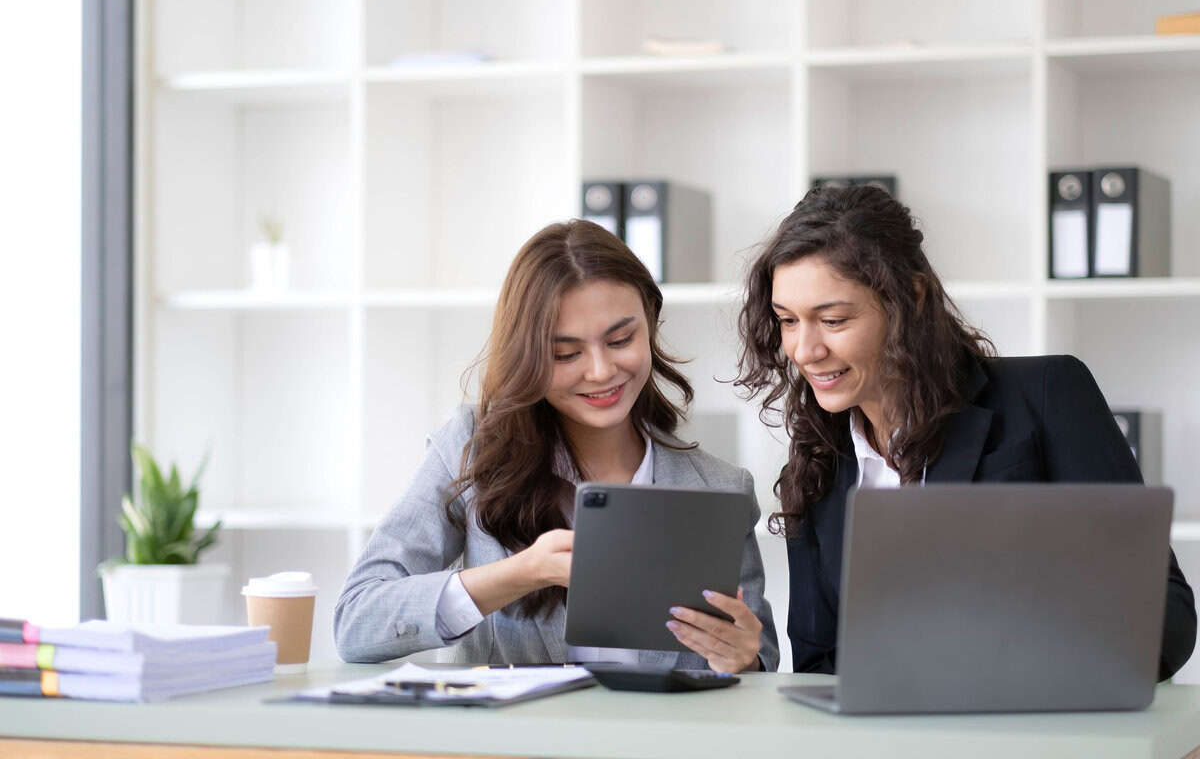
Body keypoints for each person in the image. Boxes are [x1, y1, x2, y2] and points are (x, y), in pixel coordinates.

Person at [733, 184, 1196, 680]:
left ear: (910, 298)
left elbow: (1164, 616)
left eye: (833, 319)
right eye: (787, 321)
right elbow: (820, 666)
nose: (805, 349)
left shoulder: (1045, 395)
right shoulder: (817, 469)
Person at [335, 220, 779, 672]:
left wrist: (744, 661)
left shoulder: (721, 488)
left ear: (651, 322)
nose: (602, 370)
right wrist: (522, 573)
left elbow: (758, 669)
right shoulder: (471, 449)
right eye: (565, 354)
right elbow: (357, 621)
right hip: (518, 744)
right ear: (525, 355)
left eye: (621, 339)